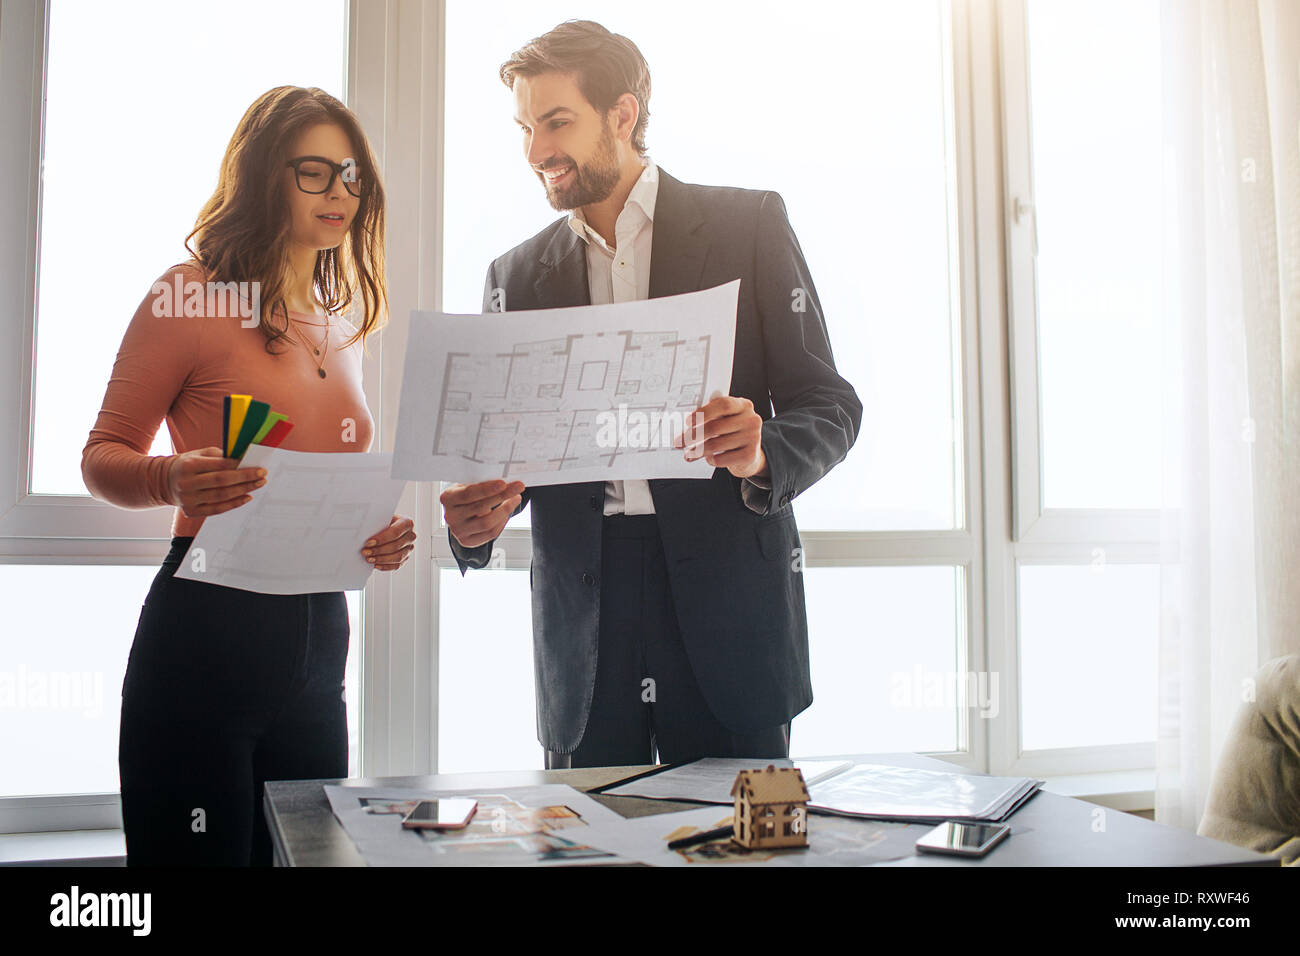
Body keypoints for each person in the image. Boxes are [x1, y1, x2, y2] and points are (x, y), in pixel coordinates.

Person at [441, 21, 862, 769]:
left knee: (743, 851)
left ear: (623, 115)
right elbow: (510, 460)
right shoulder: (514, 277)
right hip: (586, 622)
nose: (537, 150)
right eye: (525, 128)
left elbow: (830, 403)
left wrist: (764, 447)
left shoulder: (749, 224)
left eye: (556, 121)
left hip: (729, 612)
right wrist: (478, 518)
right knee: (592, 850)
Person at [81, 86, 416, 866]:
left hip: (317, 648)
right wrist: (171, 479)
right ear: (266, 177)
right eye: (315, 173)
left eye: (353, 175)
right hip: (204, 638)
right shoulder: (188, 294)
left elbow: (316, 490)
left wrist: (374, 538)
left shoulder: (340, 324)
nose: (341, 193)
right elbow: (104, 455)